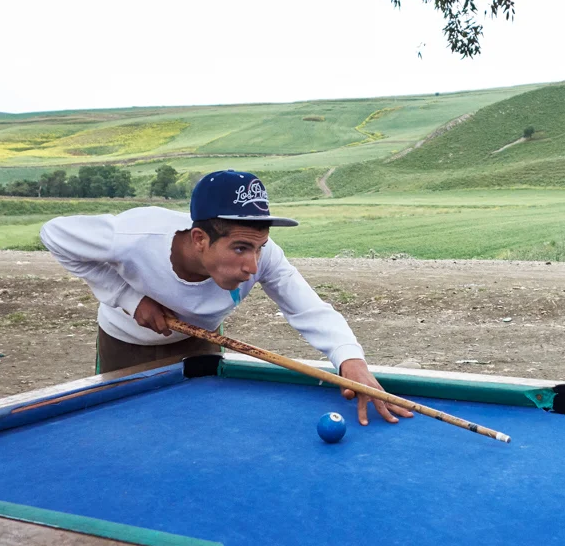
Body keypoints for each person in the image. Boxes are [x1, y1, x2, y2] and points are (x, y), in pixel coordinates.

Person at [40, 169, 412, 426]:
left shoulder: (263, 257)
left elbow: (310, 309)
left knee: (200, 429)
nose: (253, 265)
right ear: (200, 239)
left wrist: (350, 360)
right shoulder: (134, 236)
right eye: (239, 249)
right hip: (125, 344)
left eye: (259, 247)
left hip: (199, 345)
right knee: (125, 433)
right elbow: (55, 234)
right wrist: (128, 297)